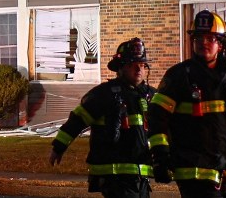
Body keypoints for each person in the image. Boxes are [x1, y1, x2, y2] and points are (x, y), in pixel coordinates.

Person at [148, 11, 226, 198]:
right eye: (198, 38)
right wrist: (160, 155)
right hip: (193, 170)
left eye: (210, 38)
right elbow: (157, 117)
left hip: (224, 170)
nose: (203, 43)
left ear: (220, 43)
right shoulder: (178, 75)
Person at [50, 38, 156, 198]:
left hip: (142, 175)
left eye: (141, 65)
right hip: (115, 176)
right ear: (120, 68)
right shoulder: (104, 94)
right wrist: (58, 147)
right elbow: (78, 120)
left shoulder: (151, 96)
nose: (138, 70)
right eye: (132, 65)